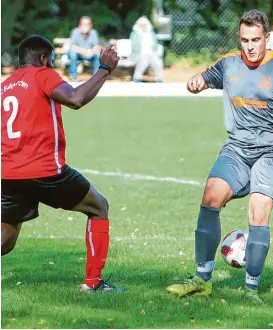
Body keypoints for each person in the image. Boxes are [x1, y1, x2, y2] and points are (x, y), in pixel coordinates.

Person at [166, 10, 273, 304]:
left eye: (256, 40)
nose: (250, 46)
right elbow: (203, 77)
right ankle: (202, 279)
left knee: (258, 209)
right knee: (211, 195)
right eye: (245, 39)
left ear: (267, 38)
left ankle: (251, 290)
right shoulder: (229, 63)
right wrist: (194, 82)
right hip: (238, 148)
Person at [1, 35, 122, 292]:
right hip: (44, 170)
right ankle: (93, 283)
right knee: (99, 207)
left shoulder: (6, 86)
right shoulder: (42, 74)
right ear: (44, 59)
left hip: (8, 173)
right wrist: (105, 69)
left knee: (6, 240)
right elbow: (75, 98)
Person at [130, 16, 164, 83]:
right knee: (143, 60)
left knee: (156, 61)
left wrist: (153, 51)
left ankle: (159, 79)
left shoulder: (151, 34)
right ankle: (136, 79)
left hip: (151, 54)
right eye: (141, 25)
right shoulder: (134, 34)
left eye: (144, 25)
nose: (143, 26)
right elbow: (133, 46)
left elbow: (156, 45)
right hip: (138, 54)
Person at [68, 16, 101, 81]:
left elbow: (97, 47)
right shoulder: (75, 32)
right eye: (83, 24)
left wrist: (91, 52)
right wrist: (85, 52)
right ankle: (73, 76)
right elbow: (73, 47)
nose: (85, 26)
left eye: (88, 24)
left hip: (90, 54)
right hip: (78, 54)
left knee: (98, 54)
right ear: (80, 25)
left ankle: (96, 78)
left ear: (91, 25)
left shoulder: (93, 32)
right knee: (72, 54)